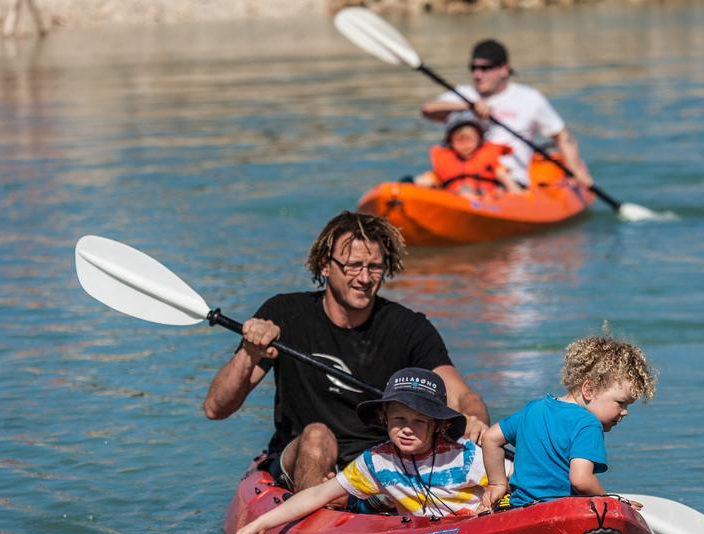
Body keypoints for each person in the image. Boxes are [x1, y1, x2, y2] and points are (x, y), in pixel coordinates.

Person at [203, 211, 489, 493]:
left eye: (374, 267)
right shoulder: (284, 313)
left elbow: (462, 396)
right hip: (301, 456)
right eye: (353, 265)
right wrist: (250, 353)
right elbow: (216, 408)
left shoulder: (409, 327)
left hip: (378, 464)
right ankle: (312, 523)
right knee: (317, 437)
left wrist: (475, 421)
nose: (364, 278)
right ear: (324, 265)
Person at [227, 368, 489, 534]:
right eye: (399, 419)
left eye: (419, 422)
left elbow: (516, 479)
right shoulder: (377, 462)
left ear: (439, 425)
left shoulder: (466, 456)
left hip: (478, 531)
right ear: (384, 417)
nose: (407, 429)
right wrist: (261, 523)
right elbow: (319, 494)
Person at [479, 333, 657, 511]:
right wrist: (610, 501)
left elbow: (490, 438)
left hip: (519, 511)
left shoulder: (533, 409)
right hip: (561, 514)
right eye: (621, 403)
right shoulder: (588, 424)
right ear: (589, 389)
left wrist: (497, 484)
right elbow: (581, 480)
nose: (625, 412)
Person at [421, 39, 593, 190]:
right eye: (473, 68)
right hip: (460, 177)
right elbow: (428, 110)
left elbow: (561, 135)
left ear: (504, 69)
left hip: (508, 181)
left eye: (484, 68)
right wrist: (467, 106)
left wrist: (575, 171)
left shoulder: (529, 98)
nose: (477, 74)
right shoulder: (463, 94)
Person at [414, 111, 521, 196]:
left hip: (488, 199)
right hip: (455, 199)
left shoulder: (491, 160)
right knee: (422, 181)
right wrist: (422, 182)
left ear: (479, 140)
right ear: (451, 142)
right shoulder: (445, 159)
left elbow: (505, 179)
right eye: (459, 140)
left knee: (476, 191)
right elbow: (432, 178)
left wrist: (515, 192)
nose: (465, 145)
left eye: (470, 139)